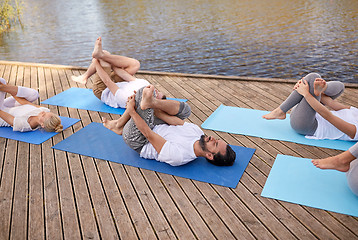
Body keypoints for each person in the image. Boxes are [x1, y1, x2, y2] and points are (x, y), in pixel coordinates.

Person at [104, 85, 236, 167]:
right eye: (217, 139)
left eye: (215, 144)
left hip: (139, 139)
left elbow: (148, 134)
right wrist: (155, 105)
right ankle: (149, 102)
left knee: (143, 92)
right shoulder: (197, 132)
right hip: (154, 125)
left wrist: (132, 110)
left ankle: (119, 125)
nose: (212, 138)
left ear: (209, 156)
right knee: (185, 110)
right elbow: (172, 120)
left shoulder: (179, 156)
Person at [263, 72, 358, 142]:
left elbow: (327, 115)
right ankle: (320, 88)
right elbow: (330, 102)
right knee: (340, 86)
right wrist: (318, 90)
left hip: (305, 125)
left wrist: (306, 93)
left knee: (313, 78)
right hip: (307, 114)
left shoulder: (356, 132)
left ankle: (280, 111)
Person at [71, 37, 162, 109]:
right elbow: (126, 76)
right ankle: (97, 60)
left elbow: (107, 82)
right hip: (119, 84)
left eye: (156, 95)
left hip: (104, 89)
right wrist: (112, 64)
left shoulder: (128, 98)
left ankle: (86, 74)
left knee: (103, 61)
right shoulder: (145, 85)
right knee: (135, 64)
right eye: (158, 91)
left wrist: (96, 63)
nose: (156, 91)